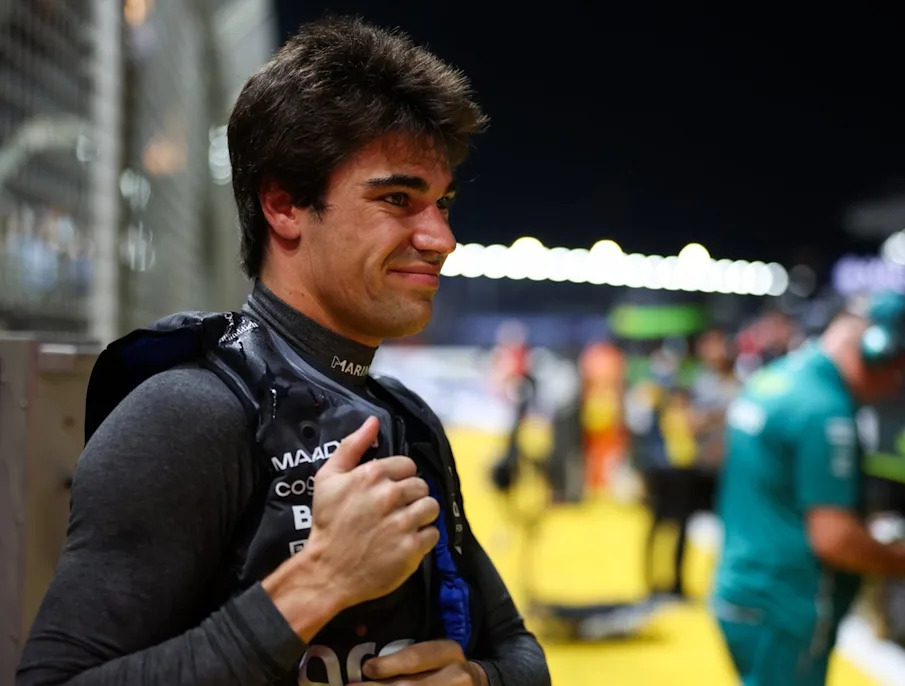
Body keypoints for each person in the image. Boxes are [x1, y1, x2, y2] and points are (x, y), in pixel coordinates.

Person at [17, 16, 549, 686]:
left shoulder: (406, 419)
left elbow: (518, 649)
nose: (441, 238)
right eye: (397, 198)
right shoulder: (188, 414)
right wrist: (319, 580)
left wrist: (474, 680)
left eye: (441, 203)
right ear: (284, 205)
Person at [712, 291, 905, 686]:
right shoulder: (825, 411)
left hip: (747, 590)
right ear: (878, 353)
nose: (896, 388)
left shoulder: (778, 380)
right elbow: (834, 538)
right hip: (787, 604)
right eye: (900, 371)